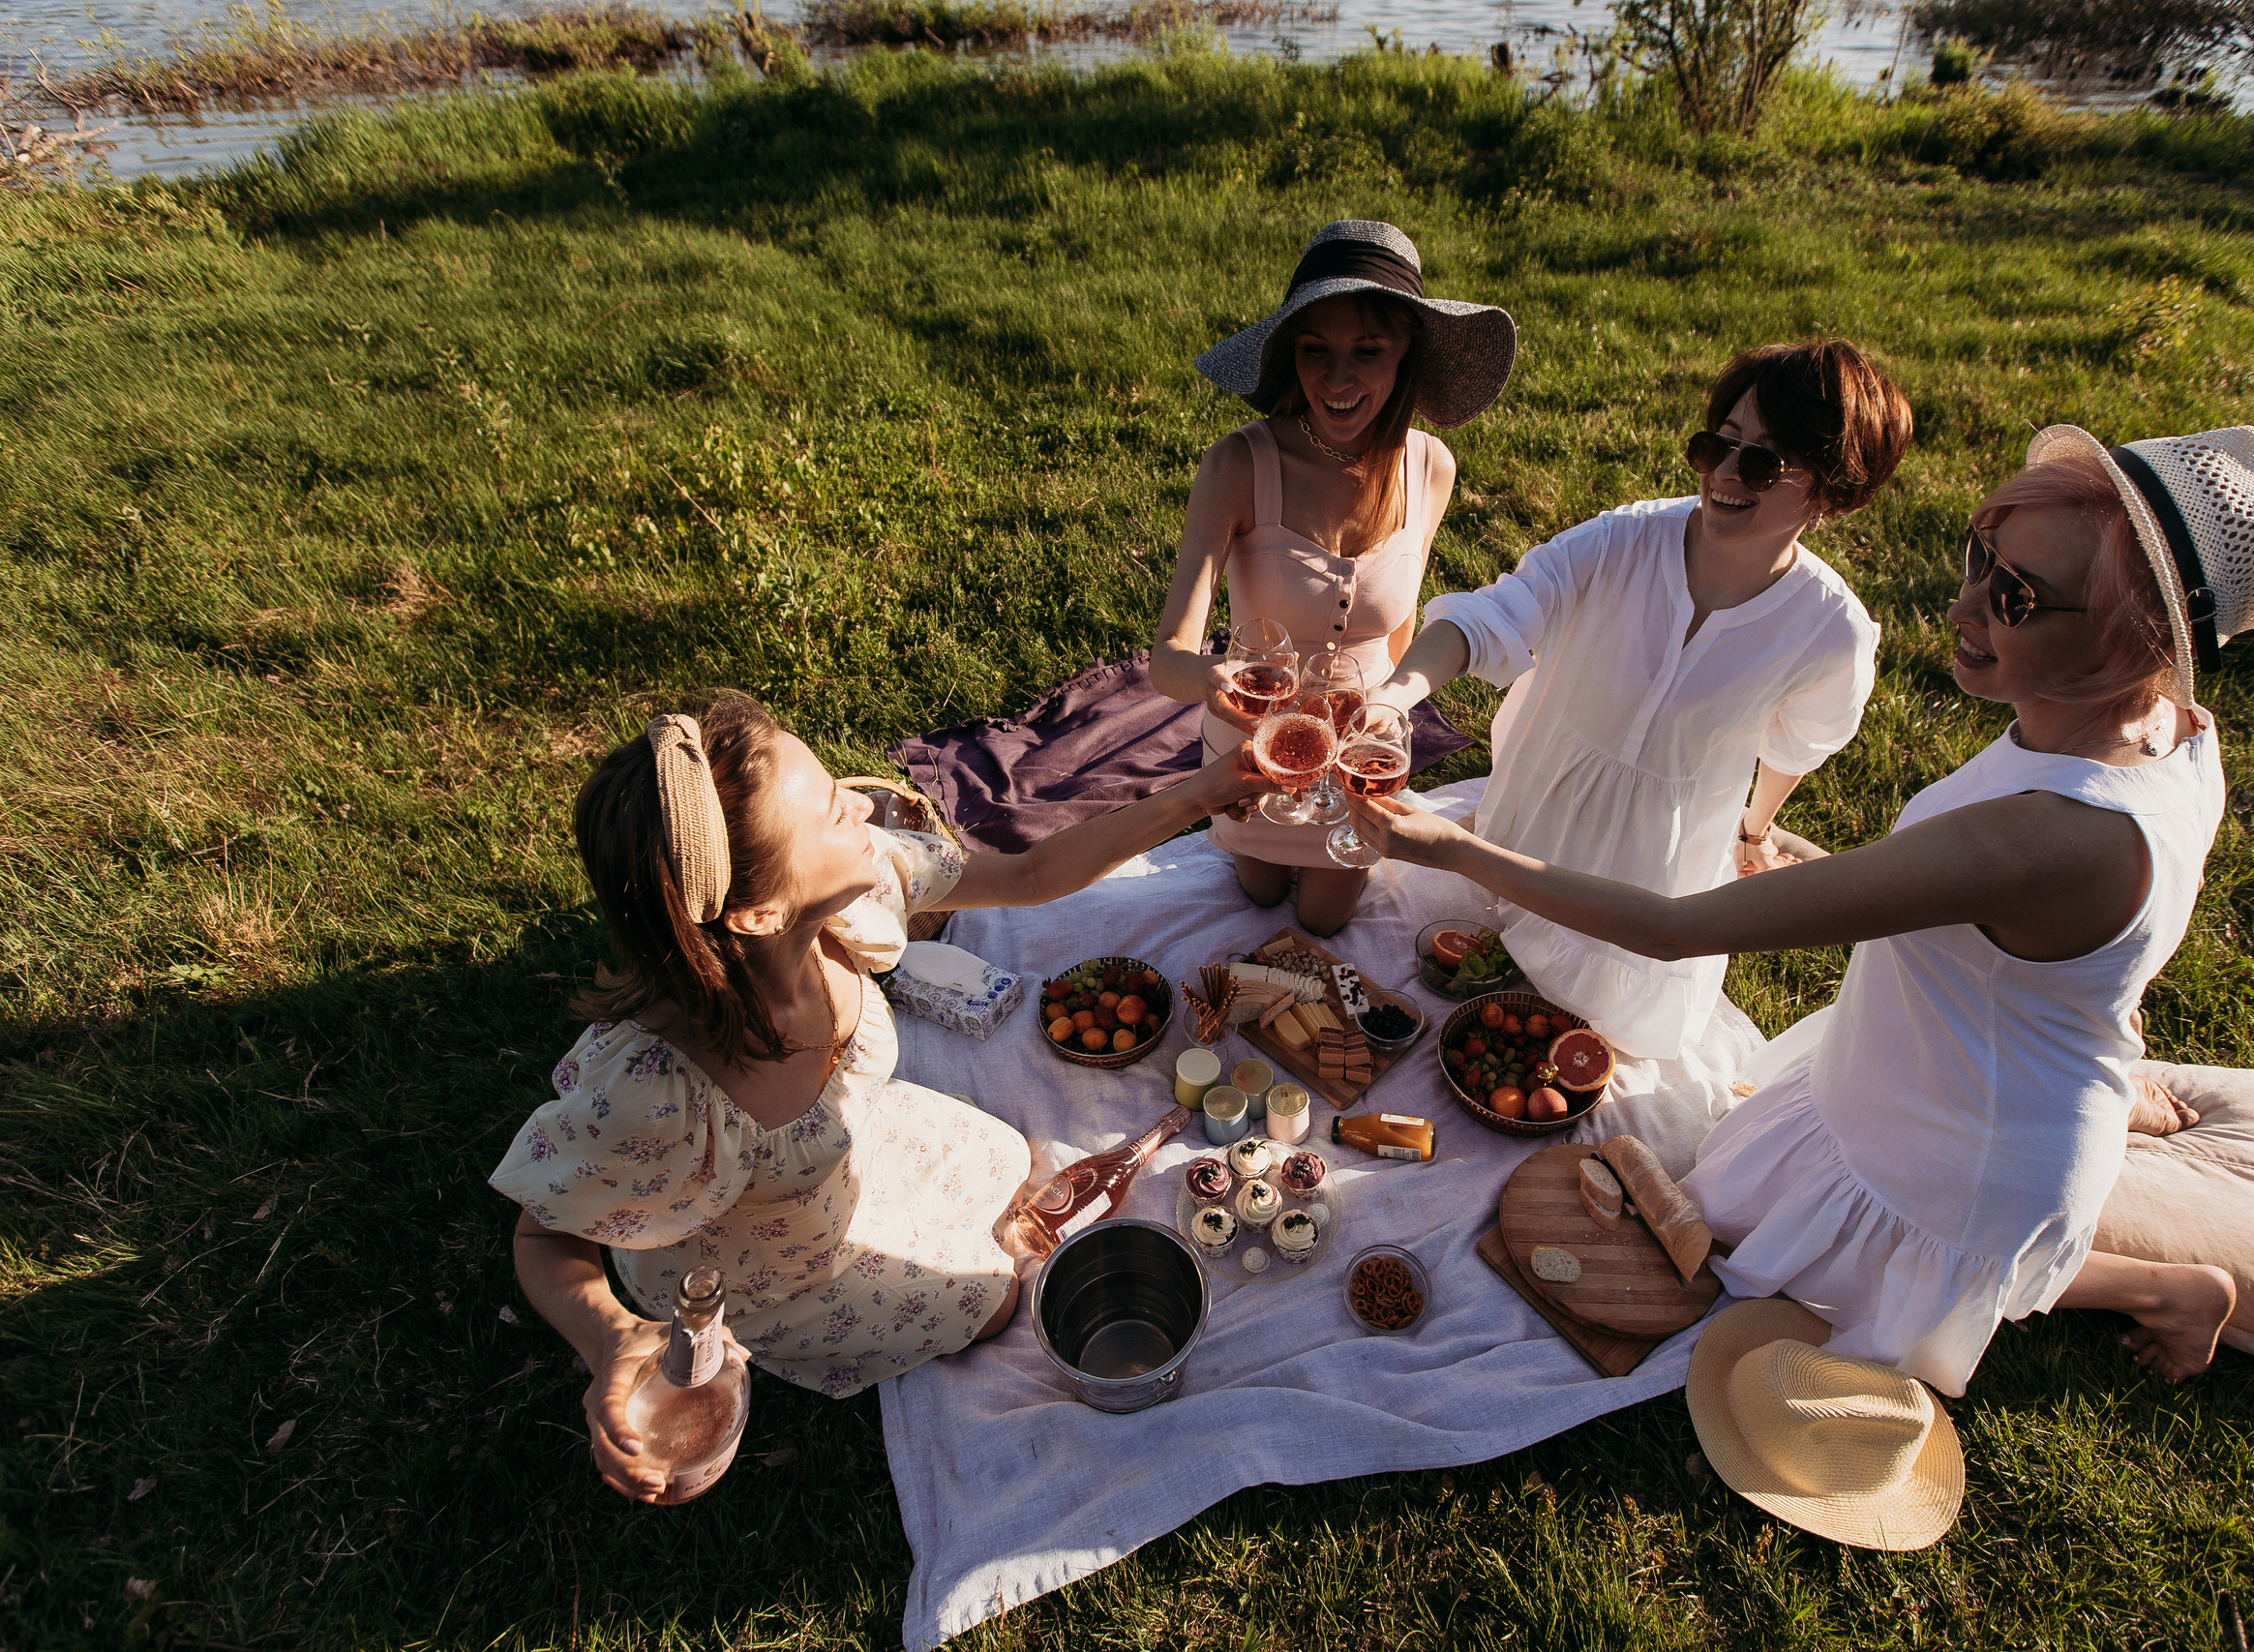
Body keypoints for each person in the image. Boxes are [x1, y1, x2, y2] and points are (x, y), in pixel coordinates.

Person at [1346, 423, 2254, 1394]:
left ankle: (2167, 1291)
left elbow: (1673, 928)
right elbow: (2018, 915)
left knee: (1802, 1300)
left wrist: (1451, 847)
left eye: (2015, 596)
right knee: (1721, 1199)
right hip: (1941, 1061)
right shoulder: (2168, 728)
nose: (1963, 602)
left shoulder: (2045, 841)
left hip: (1960, 1154)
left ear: (2131, 638)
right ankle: (2113, 1127)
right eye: (1982, 558)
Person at [490, 694, 1271, 1500]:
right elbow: (543, 1238)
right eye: (834, 813)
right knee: (1001, 1298)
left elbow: (1031, 873)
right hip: (769, 1269)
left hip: (841, 1155)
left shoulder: (848, 897)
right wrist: (612, 1337)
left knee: (1012, 1162)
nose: (867, 805)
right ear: (759, 912)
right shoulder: (653, 1096)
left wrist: (1206, 791)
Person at [1367, 340, 1911, 1066]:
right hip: (1534, 812)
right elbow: (1495, 613)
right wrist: (1396, 695)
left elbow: (1797, 746)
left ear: (1831, 492)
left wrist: (1757, 829)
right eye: (1717, 444)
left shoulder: (1829, 630)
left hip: (1654, 870)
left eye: (1760, 461)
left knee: (1590, 1036)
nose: (1723, 474)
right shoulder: (1624, 539)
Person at [1149, 220, 1515, 935]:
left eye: (1366, 352)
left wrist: (1391, 720)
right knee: (1255, 894)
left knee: (1323, 921)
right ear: (1291, 356)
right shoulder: (1237, 465)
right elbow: (1169, 659)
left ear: (1407, 350)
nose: (1337, 380)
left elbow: (1403, 628)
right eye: (1316, 351)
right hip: (1256, 748)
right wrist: (1211, 685)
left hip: (1356, 757)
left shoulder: (1431, 468)